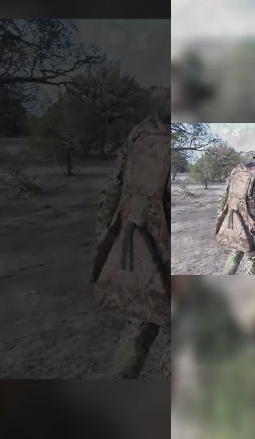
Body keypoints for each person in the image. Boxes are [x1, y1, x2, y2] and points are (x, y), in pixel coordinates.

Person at [90, 107, 171, 379]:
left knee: (139, 323)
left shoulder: (144, 127)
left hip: (140, 240)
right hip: (169, 243)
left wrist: (106, 236)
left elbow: (114, 187)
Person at [216, 150, 255, 275]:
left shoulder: (237, 169)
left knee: (234, 251)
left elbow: (224, 194)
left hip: (233, 219)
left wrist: (221, 215)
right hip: (253, 222)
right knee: (253, 257)